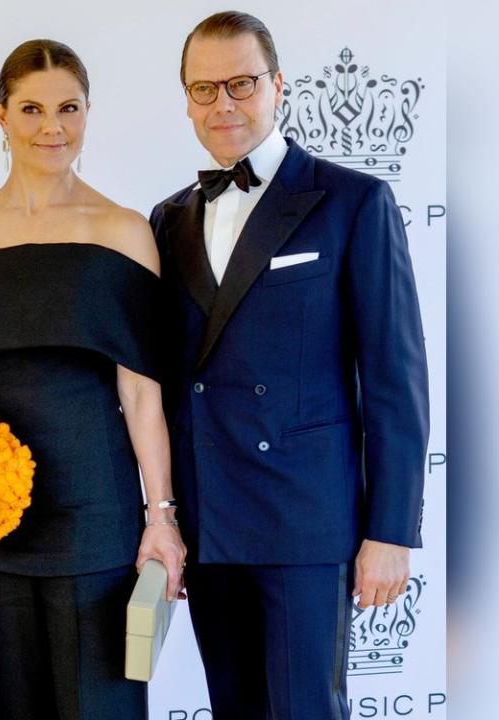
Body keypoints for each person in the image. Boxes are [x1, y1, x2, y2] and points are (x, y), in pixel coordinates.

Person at [149, 11, 429, 719]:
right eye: (205, 89)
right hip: (211, 519)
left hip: (307, 521)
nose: (224, 104)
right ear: (186, 99)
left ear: (279, 87)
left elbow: (396, 384)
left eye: (241, 84)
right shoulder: (167, 218)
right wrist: (160, 518)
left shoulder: (352, 202)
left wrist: (391, 532)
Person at [0, 39, 186, 720]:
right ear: (0, 115)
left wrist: (161, 518)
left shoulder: (123, 231)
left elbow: (141, 393)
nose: (52, 127)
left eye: (68, 108)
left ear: (88, 113)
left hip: (96, 521)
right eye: (32, 109)